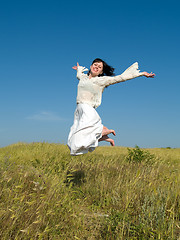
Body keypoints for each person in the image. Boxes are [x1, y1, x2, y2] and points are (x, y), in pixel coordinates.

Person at [67, 58, 155, 155]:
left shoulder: (102, 80)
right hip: (79, 109)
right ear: (91, 66)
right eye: (95, 65)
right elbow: (79, 75)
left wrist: (141, 74)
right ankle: (103, 136)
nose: (97, 67)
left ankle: (103, 131)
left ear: (101, 71)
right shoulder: (83, 78)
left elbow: (120, 78)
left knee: (79, 142)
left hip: (88, 108)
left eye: (100, 67)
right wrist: (79, 69)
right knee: (74, 140)